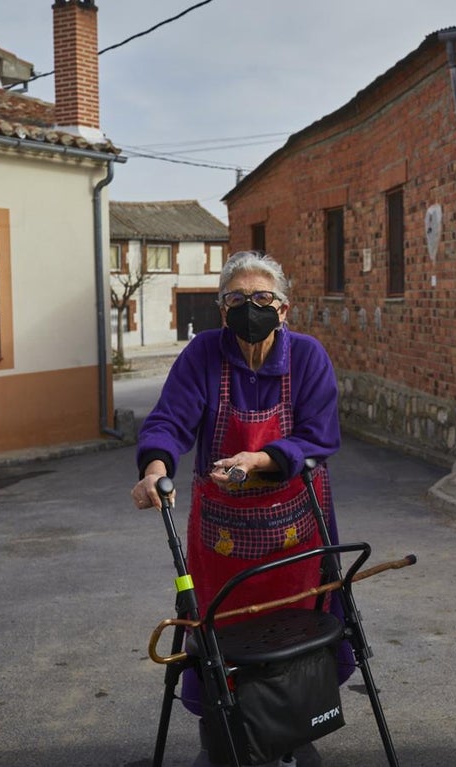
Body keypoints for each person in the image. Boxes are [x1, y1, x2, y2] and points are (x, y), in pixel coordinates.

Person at [131, 250, 344, 767]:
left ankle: (291, 730)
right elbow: (169, 421)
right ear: (222, 310)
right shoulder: (203, 354)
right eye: (237, 299)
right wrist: (156, 468)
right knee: (219, 628)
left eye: (262, 297)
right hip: (222, 534)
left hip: (296, 525)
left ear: (285, 308)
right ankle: (225, 734)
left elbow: (319, 438)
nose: (251, 307)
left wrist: (264, 459)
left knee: (298, 628)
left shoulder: (309, 356)